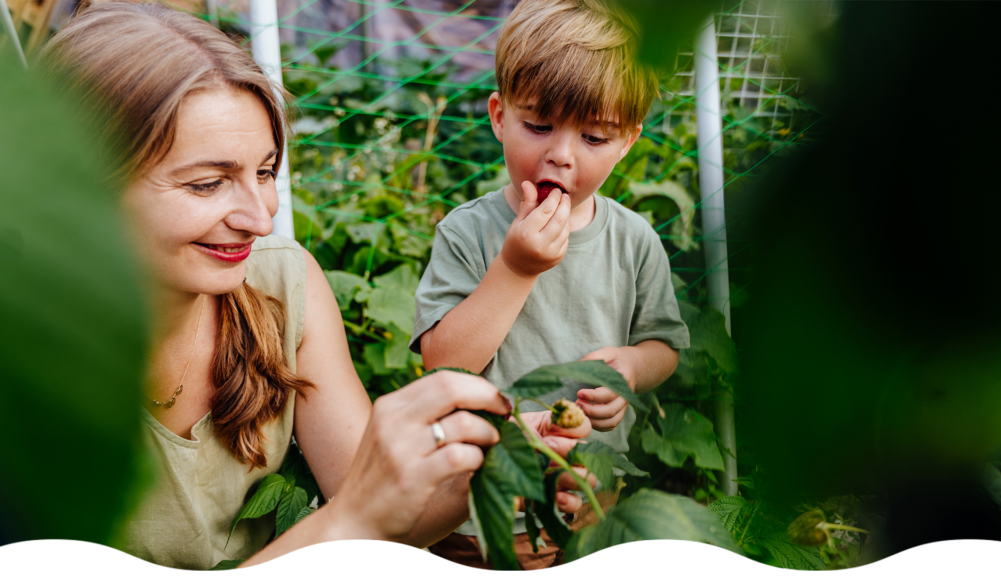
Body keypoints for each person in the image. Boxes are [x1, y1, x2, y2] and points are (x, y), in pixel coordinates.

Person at [40, 2, 594, 570]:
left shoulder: (281, 285)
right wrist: (345, 520)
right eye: (209, 184)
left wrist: (489, 475)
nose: (259, 218)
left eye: (264, 172)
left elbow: (382, 521)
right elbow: (355, 518)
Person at [412, 0, 691, 567]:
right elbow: (444, 366)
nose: (560, 156)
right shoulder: (469, 233)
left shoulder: (633, 239)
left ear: (629, 139)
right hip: (477, 510)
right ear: (498, 115)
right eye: (538, 126)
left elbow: (666, 345)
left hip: (589, 496)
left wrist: (634, 370)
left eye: (594, 137)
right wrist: (515, 269)